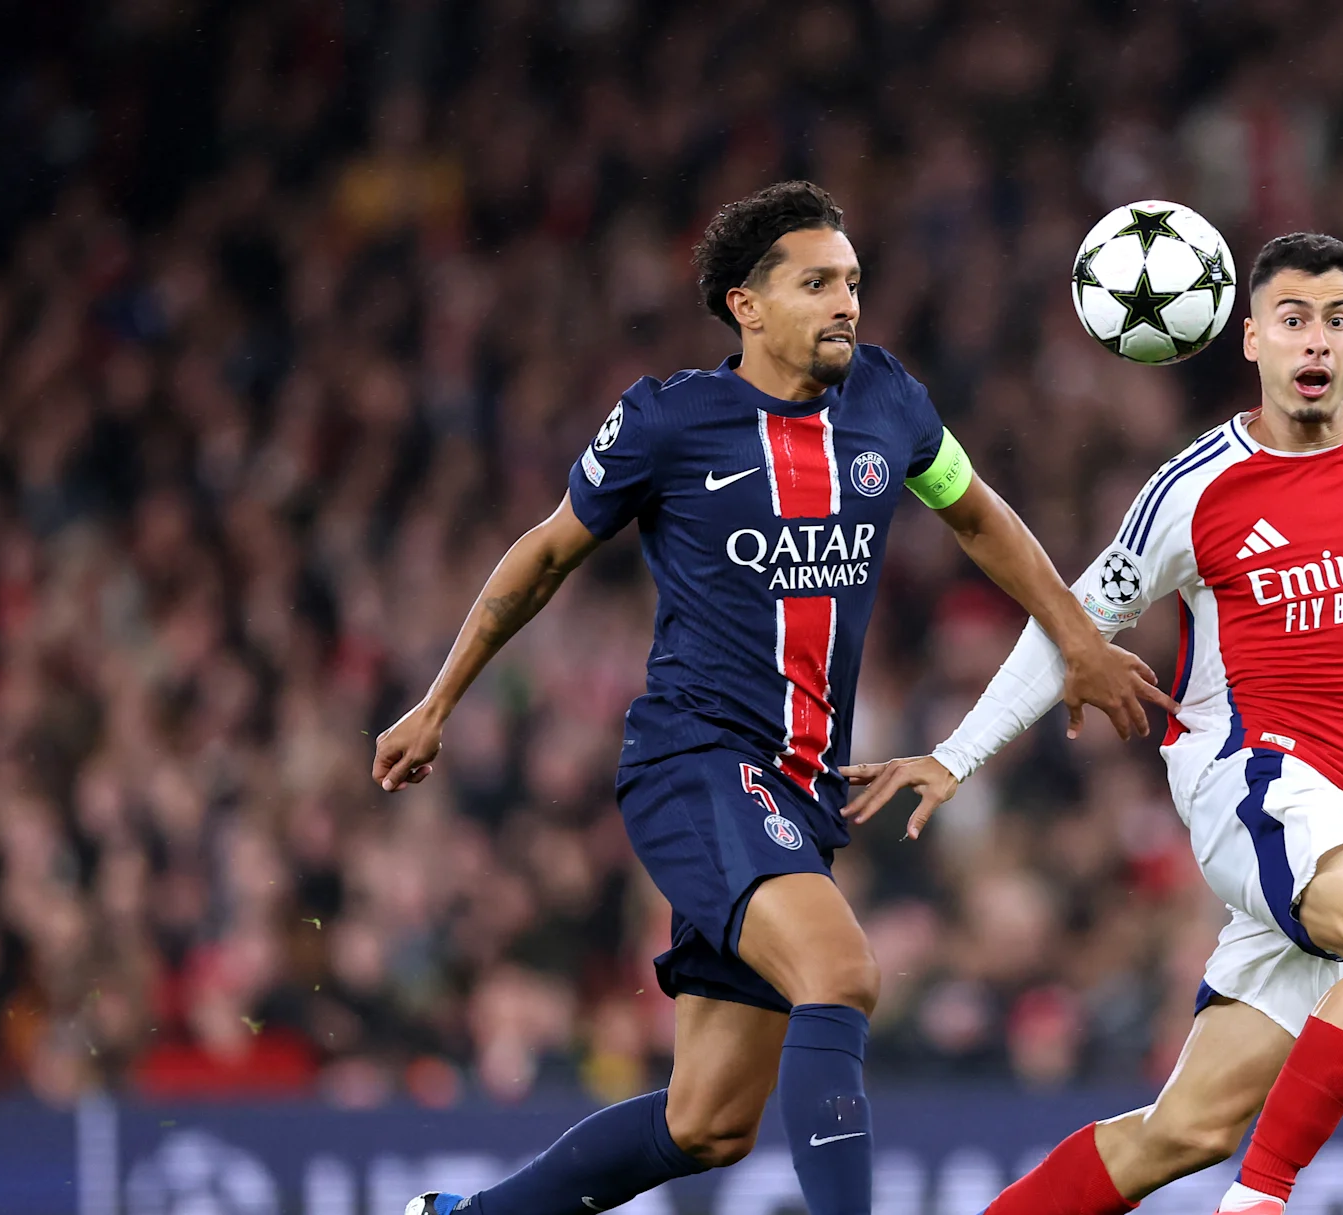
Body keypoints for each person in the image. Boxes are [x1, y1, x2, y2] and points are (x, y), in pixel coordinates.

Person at [371, 181, 1170, 1215]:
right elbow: (542, 558)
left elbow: (977, 517)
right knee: (840, 971)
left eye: (853, 282)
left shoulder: (889, 400)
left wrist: (1075, 638)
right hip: (693, 763)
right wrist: (439, 701)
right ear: (747, 305)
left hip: (801, 788)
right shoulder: (671, 422)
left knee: (705, 1123)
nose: (847, 302)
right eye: (817, 283)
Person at [842, 231, 1343, 1215]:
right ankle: (1260, 1205)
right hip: (1253, 779)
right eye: (1292, 321)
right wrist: (956, 755)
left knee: (1184, 1130)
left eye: (1334, 321)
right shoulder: (1196, 489)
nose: (1314, 341)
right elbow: (1074, 621)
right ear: (1251, 341)